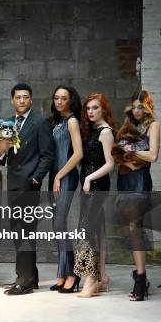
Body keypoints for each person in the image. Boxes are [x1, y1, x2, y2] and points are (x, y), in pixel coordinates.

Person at [0, 83, 54, 296]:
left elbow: (47, 155)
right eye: (18, 97)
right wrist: (3, 146)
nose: (22, 100)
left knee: (26, 231)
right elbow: (2, 158)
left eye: (25, 97)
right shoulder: (8, 124)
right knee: (17, 231)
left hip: (29, 186)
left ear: (31, 100)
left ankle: (25, 281)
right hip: (12, 184)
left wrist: (36, 179)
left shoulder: (40, 122)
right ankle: (31, 275)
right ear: (13, 100)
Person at [116, 90, 160, 301]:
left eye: (140, 107)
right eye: (133, 107)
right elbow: (118, 154)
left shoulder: (154, 126)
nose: (136, 110)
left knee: (135, 227)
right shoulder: (128, 126)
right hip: (124, 179)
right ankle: (141, 274)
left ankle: (140, 281)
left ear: (147, 107)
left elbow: (153, 155)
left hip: (141, 181)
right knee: (129, 229)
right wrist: (125, 159)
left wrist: (131, 150)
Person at [73, 93, 115, 298]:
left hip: (98, 186)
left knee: (86, 231)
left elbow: (110, 163)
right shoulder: (92, 130)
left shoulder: (106, 132)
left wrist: (89, 178)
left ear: (104, 109)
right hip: (89, 187)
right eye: (88, 108)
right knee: (97, 228)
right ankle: (101, 277)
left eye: (95, 108)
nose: (90, 111)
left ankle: (90, 279)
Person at [48, 86, 83, 294]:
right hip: (55, 177)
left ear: (71, 100)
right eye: (56, 98)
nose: (59, 101)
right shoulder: (57, 121)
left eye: (64, 98)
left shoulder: (71, 121)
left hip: (66, 177)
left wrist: (59, 176)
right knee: (56, 224)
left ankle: (72, 273)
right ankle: (62, 273)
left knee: (60, 223)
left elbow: (78, 154)